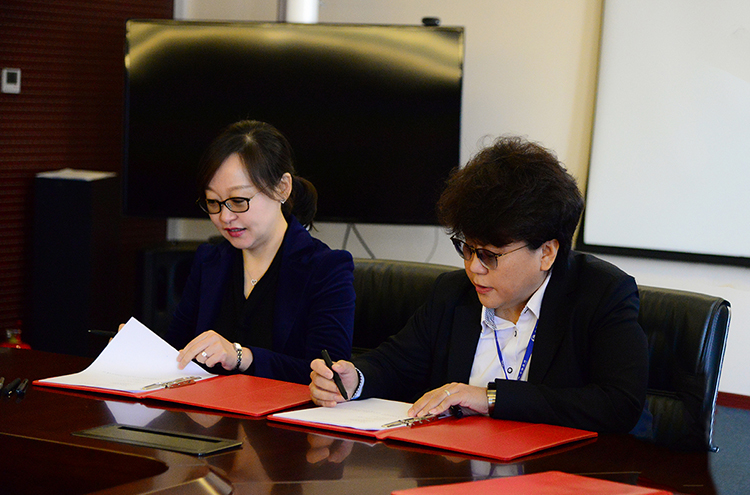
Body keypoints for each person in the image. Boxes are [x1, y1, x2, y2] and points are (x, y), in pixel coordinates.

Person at [309, 136, 649, 433]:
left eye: (490, 255)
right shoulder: (452, 293)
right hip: (457, 468)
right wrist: (355, 379)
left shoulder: (602, 294)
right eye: (468, 249)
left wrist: (491, 398)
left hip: (557, 473)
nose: (473, 268)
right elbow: (394, 364)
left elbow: (618, 404)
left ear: (546, 253)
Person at [166, 120, 355, 384]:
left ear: (282, 188)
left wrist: (242, 357)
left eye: (238, 201)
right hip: (206, 408)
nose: (225, 217)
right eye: (213, 202)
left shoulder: (326, 268)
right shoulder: (210, 260)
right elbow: (176, 349)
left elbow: (329, 374)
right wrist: (140, 347)